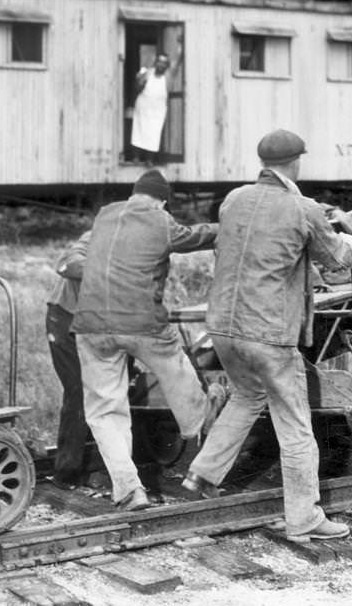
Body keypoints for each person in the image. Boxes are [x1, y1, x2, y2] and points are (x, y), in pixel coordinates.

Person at [181, 129, 352, 543]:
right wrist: (349, 242)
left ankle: (203, 473)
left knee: (246, 396)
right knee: (295, 423)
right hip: (268, 333)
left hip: (223, 328)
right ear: (296, 162)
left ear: (262, 162)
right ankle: (304, 518)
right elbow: (335, 263)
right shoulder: (304, 208)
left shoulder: (234, 200)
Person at [69, 169, 220, 512]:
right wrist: (231, 228)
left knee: (105, 412)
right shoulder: (161, 220)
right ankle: (199, 424)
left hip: (91, 326)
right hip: (142, 324)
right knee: (177, 371)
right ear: (163, 200)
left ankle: (129, 490)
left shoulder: (105, 215)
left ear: (134, 193)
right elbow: (197, 236)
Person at [45, 231, 93, 489]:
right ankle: (66, 472)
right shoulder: (98, 234)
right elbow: (68, 263)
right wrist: (112, 270)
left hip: (94, 325)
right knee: (78, 392)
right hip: (64, 319)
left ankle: (93, 460)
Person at [130, 53, 170, 165]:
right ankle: (136, 157)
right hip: (143, 107)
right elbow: (137, 86)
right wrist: (141, 78)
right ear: (155, 62)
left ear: (166, 65)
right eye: (159, 61)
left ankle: (149, 159)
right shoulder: (148, 73)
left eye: (164, 62)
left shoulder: (167, 77)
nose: (161, 64)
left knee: (154, 133)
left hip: (157, 110)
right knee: (139, 131)